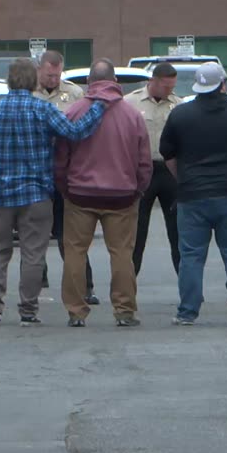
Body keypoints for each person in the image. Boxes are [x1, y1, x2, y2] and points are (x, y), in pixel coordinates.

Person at [0, 58, 107, 326]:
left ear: (9, 81)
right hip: (35, 193)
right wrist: (98, 108)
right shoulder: (42, 109)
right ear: (33, 80)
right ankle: (28, 309)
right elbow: (75, 132)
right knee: (33, 253)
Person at [160, 62, 227, 326]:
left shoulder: (180, 115)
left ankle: (187, 312)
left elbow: (167, 153)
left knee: (191, 256)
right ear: (222, 84)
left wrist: (183, 179)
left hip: (192, 196)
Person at [54, 59, 152, 327]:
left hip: (80, 194)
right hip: (121, 195)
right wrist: (139, 188)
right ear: (116, 82)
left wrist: (65, 187)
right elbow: (144, 161)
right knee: (121, 252)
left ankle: (76, 311)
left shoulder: (74, 111)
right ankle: (124, 310)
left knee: (75, 251)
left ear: (88, 82)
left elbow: (60, 157)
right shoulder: (132, 116)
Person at [33, 49, 96, 303]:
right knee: (35, 231)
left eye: (57, 75)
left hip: (66, 171)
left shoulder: (74, 93)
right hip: (38, 170)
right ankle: (37, 279)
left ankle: (85, 286)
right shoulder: (28, 93)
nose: (53, 80)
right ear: (40, 70)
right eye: (49, 75)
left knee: (69, 234)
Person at [127, 62, 182, 274]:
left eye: (172, 86)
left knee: (178, 230)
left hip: (169, 170)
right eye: (166, 86)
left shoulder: (178, 105)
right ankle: (128, 285)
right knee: (136, 231)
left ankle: (187, 286)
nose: (170, 90)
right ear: (154, 81)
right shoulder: (131, 103)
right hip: (142, 170)